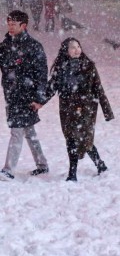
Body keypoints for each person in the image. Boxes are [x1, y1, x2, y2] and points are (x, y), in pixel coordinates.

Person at [0, 10, 49, 180]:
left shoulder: (34, 47)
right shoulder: (5, 45)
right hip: (11, 95)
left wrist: (40, 99)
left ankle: (8, 170)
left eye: (14, 24)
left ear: (24, 26)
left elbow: (42, 75)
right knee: (29, 131)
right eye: (9, 23)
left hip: (27, 96)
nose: (10, 27)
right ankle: (42, 165)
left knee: (17, 132)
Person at [38, 38, 114, 181]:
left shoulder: (89, 66)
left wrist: (107, 111)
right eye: (72, 47)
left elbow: (98, 89)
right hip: (67, 110)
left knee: (85, 139)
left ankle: (98, 165)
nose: (77, 49)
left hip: (86, 109)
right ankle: (74, 173)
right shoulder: (61, 68)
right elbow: (51, 88)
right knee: (71, 139)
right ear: (66, 51)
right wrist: (39, 102)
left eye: (78, 46)